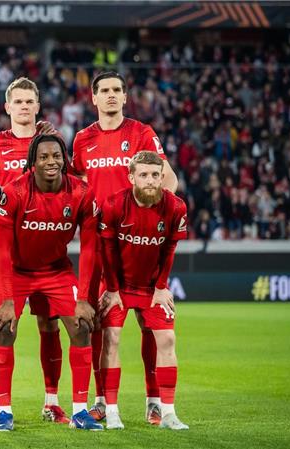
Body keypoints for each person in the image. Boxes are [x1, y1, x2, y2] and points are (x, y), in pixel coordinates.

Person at [71, 71, 178, 424]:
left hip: (139, 245)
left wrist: (151, 216)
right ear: (94, 98)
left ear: (125, 97)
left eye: (117, 89)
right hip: (99, 245)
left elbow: (169, 179)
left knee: (151, 325)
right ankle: (101, 399)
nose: (111, 95)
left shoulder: (142, 134)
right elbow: (80, 191)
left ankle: (152, 400)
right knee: (101, 324)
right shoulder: (82, 139)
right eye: (104, 90)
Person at [0, 134, 102, 431]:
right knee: (4, 330)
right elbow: (1, 248)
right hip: (16, 271)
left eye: (56, 156)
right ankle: (3, 411)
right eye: (44, 157)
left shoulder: (81, 192)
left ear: (64, 161)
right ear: (32, 162)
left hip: (56, 270)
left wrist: (85, 297)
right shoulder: (13, 192)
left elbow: (90, 247)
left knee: (81, 327)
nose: (51, 162)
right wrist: (6, 298)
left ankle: (79, 412)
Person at [0, 77, 69, 424]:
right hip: (8, 255)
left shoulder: (54, 144)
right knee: (4, 325)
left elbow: (68, 183)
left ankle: (52, 401)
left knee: (51, 325)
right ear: (7, 106)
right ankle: (1, 404)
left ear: (38, 105)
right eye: (18, 101)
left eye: (30, 101)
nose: (25, 107)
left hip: (48, 253)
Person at [97, 150, 189, 431]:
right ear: (132, 177)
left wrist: (161, 287)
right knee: (111, 338)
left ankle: (168, 412)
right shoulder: (113, 205)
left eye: (155, 175)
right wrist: (112, 290)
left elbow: (170, 249)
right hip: (118, 285)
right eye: (144, 175)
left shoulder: (175, 207)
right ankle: (111, 411)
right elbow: (107, 250)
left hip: (152, 287)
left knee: (168, 340)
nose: (150, 181)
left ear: (163, 177)